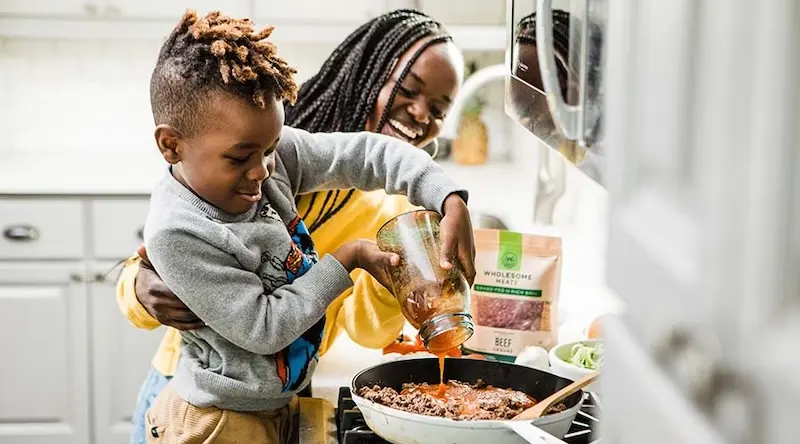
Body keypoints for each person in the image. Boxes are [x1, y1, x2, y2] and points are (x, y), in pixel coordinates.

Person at [118, 9, 465, 443]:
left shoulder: (269, 146)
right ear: (365, 73)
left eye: (438, 108)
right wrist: (137, 287)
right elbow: (257, 322)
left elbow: (365, 327)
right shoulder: (238, 133)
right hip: (211, 411)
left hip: (279, 397)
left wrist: (443, 197)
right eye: (408, 91)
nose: (420, 113)